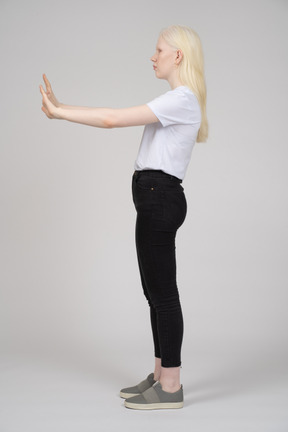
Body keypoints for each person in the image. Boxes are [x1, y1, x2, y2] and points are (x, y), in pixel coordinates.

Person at [40, 24, 208, 410]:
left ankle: (171, 386)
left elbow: (113, 118)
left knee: (164, 295)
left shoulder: (182, 99)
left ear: (177, 56)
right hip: (154, 199)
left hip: (160, 199)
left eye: (159, 49)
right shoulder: (175, 100)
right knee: (154, 293)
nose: (153, 56)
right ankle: (159, 374)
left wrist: (62, 112)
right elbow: (113, 114)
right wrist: (61, 108)